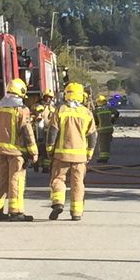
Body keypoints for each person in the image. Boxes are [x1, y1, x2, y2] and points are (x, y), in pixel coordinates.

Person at [47, 83, 98, 221]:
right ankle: (76, 212)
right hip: (80, 156)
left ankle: (58, 202)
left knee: (58, 179)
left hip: (61, 154)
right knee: (78, 183)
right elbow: (93, 135)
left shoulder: (61, 110)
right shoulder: (86, 113)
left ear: (67, 94)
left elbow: (52, 131)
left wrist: (50, 149)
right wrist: (90, 152)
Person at [0, 77, 38, 221]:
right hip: (16, 152)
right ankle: (16, 211)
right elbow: (26, 132)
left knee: (1, 180)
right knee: (16, 180)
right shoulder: (21, 110)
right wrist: (33, 152)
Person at [32, 92, 56, 174]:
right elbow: (32, 115)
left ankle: (46, 167)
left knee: (46, 149)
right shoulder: (37, 106)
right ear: (44, 97)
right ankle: (36, 165)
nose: (48, 99)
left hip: (48, 130)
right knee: (39, 148)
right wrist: (36, 116)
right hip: (38, 131)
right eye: (47, 97)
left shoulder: (52, 107)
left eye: (50, 97)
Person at [93, 93, 119, 164]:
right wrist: (113, 120)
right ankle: (106, 157)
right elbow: (117, 113)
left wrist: (96, 124)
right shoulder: (109, 108)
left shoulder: (96, 111)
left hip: (102, 130)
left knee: (102, 144)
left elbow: (94, 120)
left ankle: (103, 158)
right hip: (110, 129)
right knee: (107, 143)